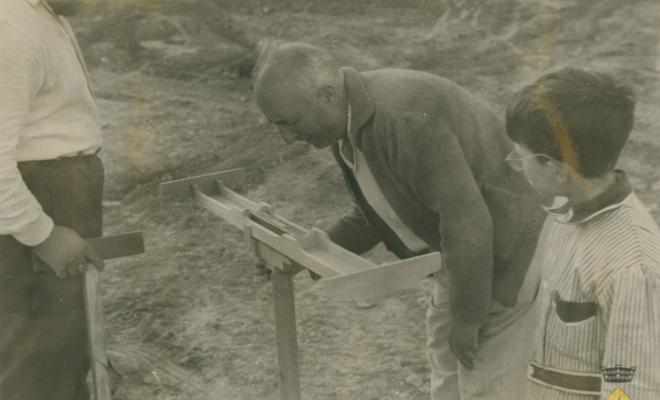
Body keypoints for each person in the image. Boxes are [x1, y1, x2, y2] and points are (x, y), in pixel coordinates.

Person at [253, 41, 546, 399]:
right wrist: (303, 256)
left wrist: (468, 318)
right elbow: (378, 210)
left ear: (326, 94)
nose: (287, 138)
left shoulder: (402, 119)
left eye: (290, 122)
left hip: (506, 256)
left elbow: (467, 223)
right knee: (450, 377)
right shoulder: (347, 121)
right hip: (462, 258)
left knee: (486, 384)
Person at [505, 67, 660, 400]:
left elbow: (632, 386)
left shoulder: (631, 265)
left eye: (521, 157)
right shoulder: (565, 211)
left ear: (556, 168)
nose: (515, 164)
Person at [0, 1, 105, 399]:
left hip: (58, 200)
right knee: (35, 370)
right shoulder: (11, 29)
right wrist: (42, 234)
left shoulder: (43, 15)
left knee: (64, 358)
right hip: (36, 214)